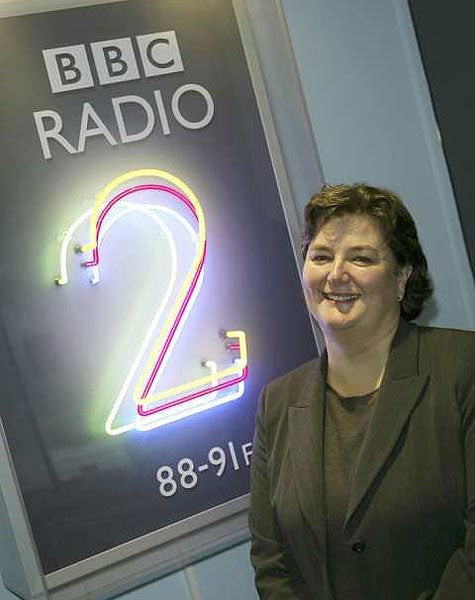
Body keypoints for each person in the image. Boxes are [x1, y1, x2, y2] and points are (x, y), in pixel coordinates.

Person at [249, 183, 475, 600]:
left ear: (402, 277)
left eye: (361, 257)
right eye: (321, 256)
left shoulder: (463, 368)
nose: (336, 274)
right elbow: (273, 563)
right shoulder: (277, 404)